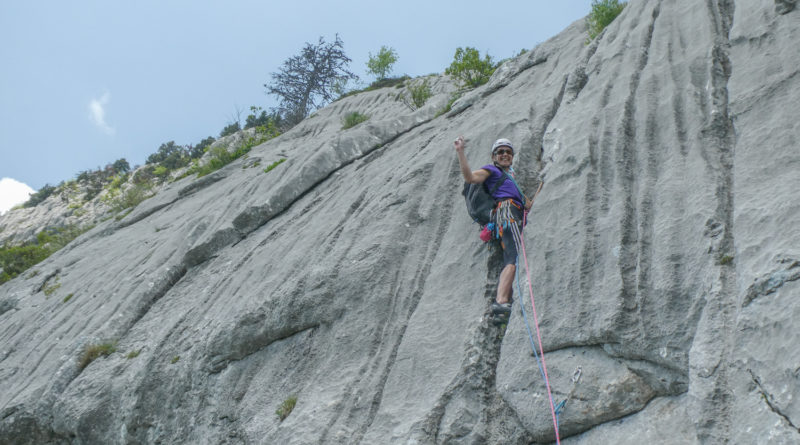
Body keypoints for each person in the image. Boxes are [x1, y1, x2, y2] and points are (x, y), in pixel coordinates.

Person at [454, 136, 542, 318]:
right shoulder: (491, 170)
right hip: (507, 213)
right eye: (500, 152)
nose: (505, 154)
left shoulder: (512, 182)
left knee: (512, 256)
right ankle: (501, 301)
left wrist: (543, 183)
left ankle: (502, 302)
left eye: (508, 152)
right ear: (494, 156)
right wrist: (460, 152)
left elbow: (528, 205)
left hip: (513, 212)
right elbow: (470, 177)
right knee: (513, 257)